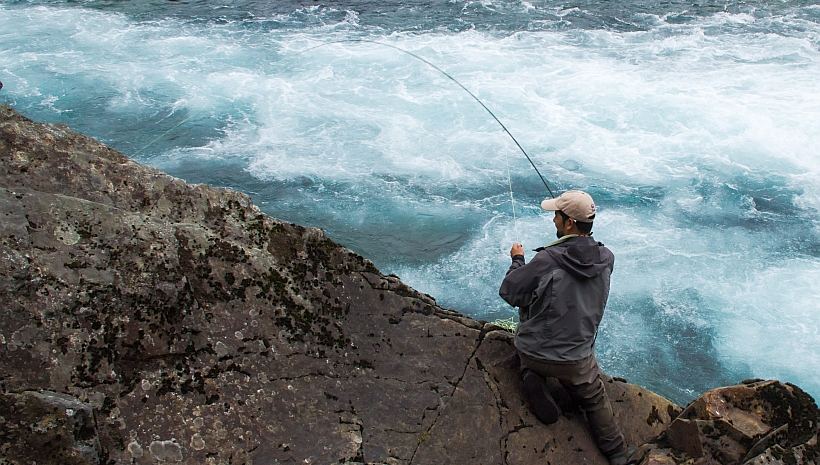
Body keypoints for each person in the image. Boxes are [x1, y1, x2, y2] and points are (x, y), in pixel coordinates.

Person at [499, 190, 635, 465]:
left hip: (533, 351)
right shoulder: (607, 258)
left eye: (557, 215)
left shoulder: (547, 260)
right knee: (594, 398)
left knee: (528, 355)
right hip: (577, 360)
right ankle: (618, 454)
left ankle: (530, 374)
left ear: (569, 223)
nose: (553, 221)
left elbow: (510, 292)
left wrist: (518, 260)